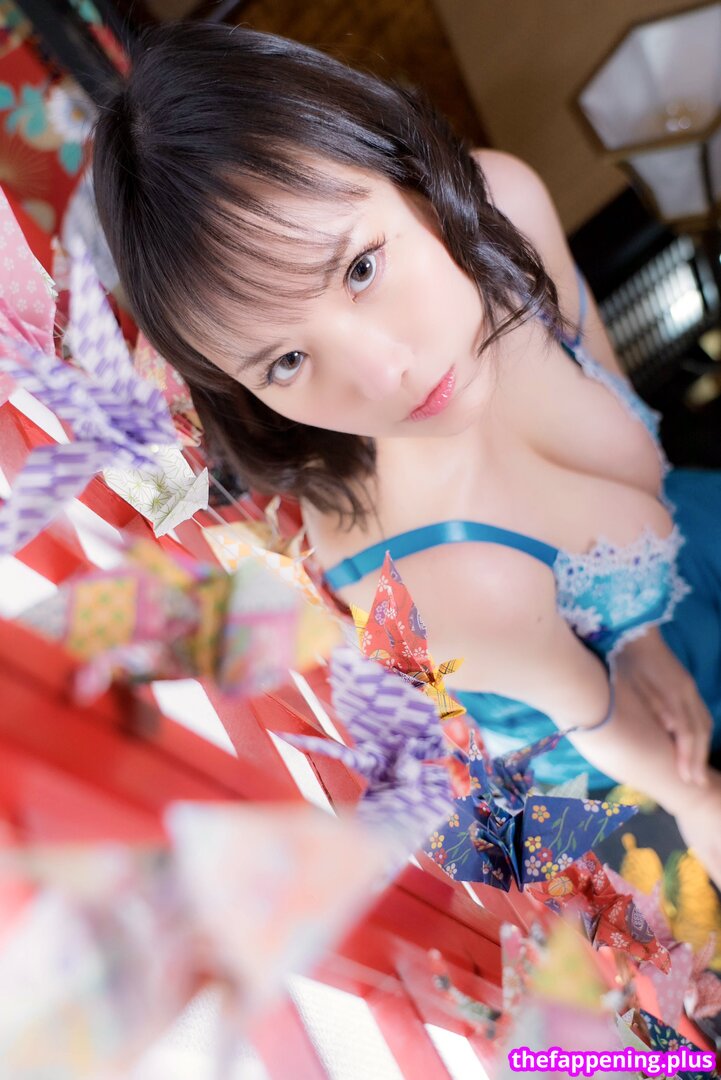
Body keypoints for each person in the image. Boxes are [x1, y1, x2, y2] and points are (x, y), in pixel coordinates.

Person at [92, 21, 721, 884]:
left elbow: (606, 382)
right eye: (285, 361)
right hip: (609, 740)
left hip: (675, 563)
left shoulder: (506, 204)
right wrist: (696, 795)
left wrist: (639, 634)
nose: (384, 372)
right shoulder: (445, 576)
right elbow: (624, 738)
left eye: (359, 268)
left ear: (400, 167)